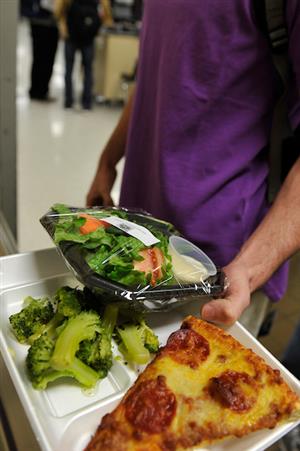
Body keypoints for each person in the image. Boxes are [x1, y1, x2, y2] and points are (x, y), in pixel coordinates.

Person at [86, 1, 300, 336]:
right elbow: (151, 76)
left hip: (219, 269)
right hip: (137, 243)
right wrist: (107, 161)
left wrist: (249, 268)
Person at [54, 0, 101, 109]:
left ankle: (68, 101)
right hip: (88, 38)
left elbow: (58, 11)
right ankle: (87, 102)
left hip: (71, 35)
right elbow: (105, 12)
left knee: (69, 69)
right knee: (88, 70)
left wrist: (62, 26)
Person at [21, 0, 59, 101]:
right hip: (40, 22)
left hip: (50, 24)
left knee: (46, 59)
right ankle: (37, 91)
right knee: (40, 58)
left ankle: (41, 90)